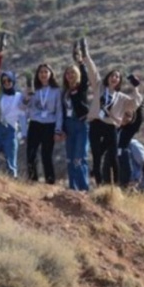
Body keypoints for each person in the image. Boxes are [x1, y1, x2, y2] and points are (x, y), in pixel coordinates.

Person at [83, 39, 143, 187]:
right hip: (96, 123)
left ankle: (114, 186)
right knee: (96, 155)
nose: (114, 78)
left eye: (117, 76)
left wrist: (136, 88)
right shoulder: (99, 88)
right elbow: (93, 71)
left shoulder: (121, 98)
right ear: (108, 77)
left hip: (110, 126)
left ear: (119, 81)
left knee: (113, 155)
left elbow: (135, 104)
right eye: (112, 75)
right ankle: (98, 184)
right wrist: (86, 55)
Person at [23, 63, 63, 184]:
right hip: (35, 124)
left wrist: (58, 130)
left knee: (46, 154)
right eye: (41, 72)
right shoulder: (33, 89)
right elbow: (25, 107)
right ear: (37, 75)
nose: (43, 74)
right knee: (31, 153)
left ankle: (50, 181)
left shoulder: (56, 91)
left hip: (49, 125)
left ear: (51, 74)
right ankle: (32, 180)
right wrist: (27, 97)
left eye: (46, 72)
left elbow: (59, 111)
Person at [0, 71, 24, 177]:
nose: (6, 83)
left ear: (13, 81)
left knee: (11, 161)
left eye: (9, 80)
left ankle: (13, 184)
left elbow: (24, 114)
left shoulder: (19, 96)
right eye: (4, 81)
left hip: (11, 130)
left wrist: (24, 133)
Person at [61, 52, 90, 191]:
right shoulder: (64, 92)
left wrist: (81, 63)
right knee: (70, 159)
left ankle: (84, 188)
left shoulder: (81, 88)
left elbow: (85, 79)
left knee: (79, 158)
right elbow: (62, 111)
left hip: (81, 125)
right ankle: (73, 188)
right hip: (68, 126)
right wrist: (62, 129)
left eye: (73, 73)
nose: (70, 75)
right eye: (68, 73)